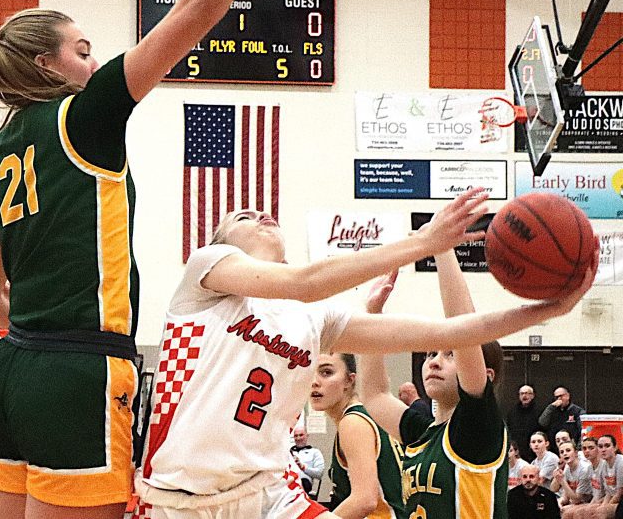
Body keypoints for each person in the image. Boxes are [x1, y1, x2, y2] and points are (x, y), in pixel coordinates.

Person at [0, 0, 414, 515]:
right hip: (79, 371)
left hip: (11, 372)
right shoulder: (83, 115)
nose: (93, 65)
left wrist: (37, 339)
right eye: (82, 50)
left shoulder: (4, 150)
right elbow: (197, 9)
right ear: (47, 67)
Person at [136, 201, 593, 519]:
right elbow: (306, 281)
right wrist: (422, 242)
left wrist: (548, 311)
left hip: (267, 493)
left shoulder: (315, 319)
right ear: (222, 241)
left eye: (263, 213)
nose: (260, 215)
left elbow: (446, 331)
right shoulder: (206, 273)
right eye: (242, 216)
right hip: (177, 495)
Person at [360, 243, 594, 519]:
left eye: (450, 354)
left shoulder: (478, 428)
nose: (434, 361)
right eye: (430, 353)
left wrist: (442, 246)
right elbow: (374, 395)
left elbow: (464, 328)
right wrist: (371, 313)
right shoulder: (424, 433)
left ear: (485, 374)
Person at [310, 352, 407, 518]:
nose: (314, 382)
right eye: (310, 373)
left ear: (349, 380)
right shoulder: (368, 415)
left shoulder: (353, 422)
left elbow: (365, 500)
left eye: (326, 372)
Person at [554, 440, 593, 508]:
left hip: (588, 503)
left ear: (576, 453)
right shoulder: (567, 467)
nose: (565, 454)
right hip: (575, 503)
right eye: (562, 452)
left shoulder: (584, 469)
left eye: (568, 450)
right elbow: (556, 490)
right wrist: (560, 502)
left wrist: (562, 481)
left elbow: (577, 499)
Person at [508, 385, 542, 463]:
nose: (524, 396)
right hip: (518, 450)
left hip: (534, 451)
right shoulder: (512, 412)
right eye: (522, 393)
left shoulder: (539, 411)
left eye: (527, 393)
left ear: (532, 395)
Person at [291, 426, 325, 496]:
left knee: (301, 482)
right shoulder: (288, 452)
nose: (298, 438)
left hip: (304, 483)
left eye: (301, 435)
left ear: (307, 436)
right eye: (296, 436)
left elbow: (319, 473)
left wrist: (303, 467)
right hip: (289, 481)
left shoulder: (315, 452)